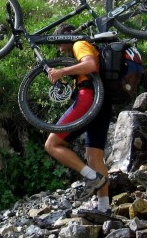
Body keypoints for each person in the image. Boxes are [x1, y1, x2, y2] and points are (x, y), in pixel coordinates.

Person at [45, 24, 113, 213]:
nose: (59, 47)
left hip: (88, 97)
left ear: (66, 36)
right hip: (102, 102)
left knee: (52, 145)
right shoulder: (86, 46)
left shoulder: (79, 44)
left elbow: (90, 64)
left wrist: (61, 72)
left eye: (58, 41)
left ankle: (91, 177)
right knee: (94, 155)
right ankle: (104, 208)